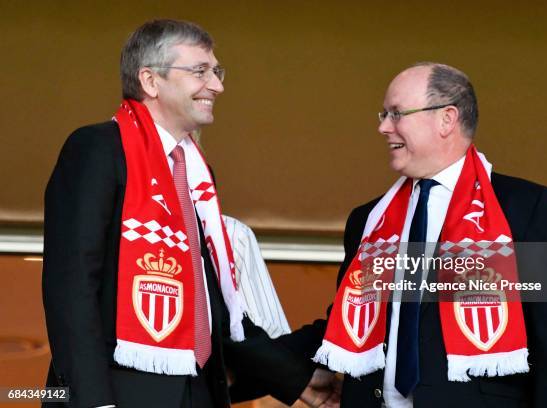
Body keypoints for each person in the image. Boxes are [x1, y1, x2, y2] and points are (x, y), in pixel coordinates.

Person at [42, 19, 338, 408]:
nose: (217, 85)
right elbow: (72, 288)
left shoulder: (195, 172)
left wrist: (296, 377)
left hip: (198, 393)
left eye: (217, 72)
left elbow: (212, 305)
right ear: (150, 80)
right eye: (201, 71)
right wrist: (94, 403)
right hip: (123, 394)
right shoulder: (98, 149)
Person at [285, 62, 547, 407]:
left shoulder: (526, 207)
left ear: (447, 118)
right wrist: (256, 361)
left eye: (396, 114)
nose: (383, 127)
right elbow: (345, 323)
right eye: (383, 114)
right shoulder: (368, 220)